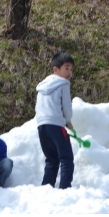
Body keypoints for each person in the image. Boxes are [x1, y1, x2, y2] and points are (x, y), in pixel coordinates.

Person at [35, 52, 75, 189]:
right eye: (66, 68)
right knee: (67, 158)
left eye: (71, 69)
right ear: (55, 69)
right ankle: (65, 188)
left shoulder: (41, 87)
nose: (69, 72)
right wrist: (68, 121)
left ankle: (46, 188)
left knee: (51, 159)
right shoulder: (64, 84)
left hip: (41, 126)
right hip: (56, 125)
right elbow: (67, 107)